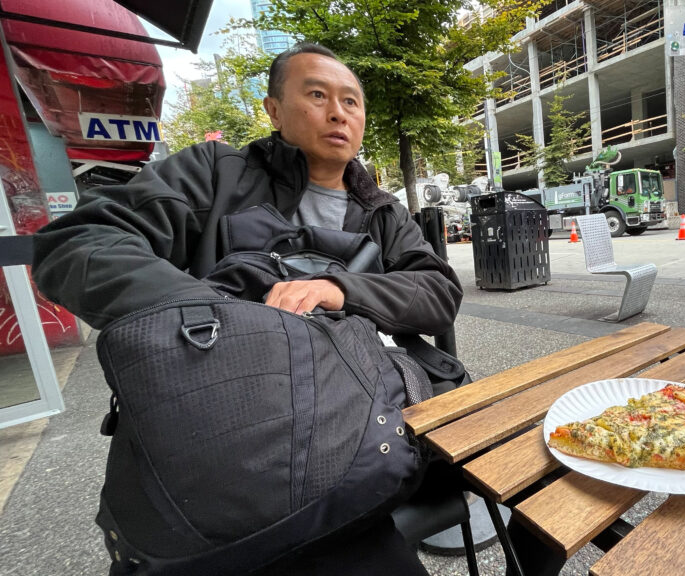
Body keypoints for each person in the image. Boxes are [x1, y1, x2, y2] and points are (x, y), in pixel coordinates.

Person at [32, 43, 461, 575]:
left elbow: (439, 292)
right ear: (274, 110)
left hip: (354, 430)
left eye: (351, 101)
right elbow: (81, 243)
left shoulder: (383, 212)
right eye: (317, 95)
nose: (337, 112)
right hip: (226, 428)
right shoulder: (215, 172)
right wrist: (220, 319)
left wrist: (341, 289)